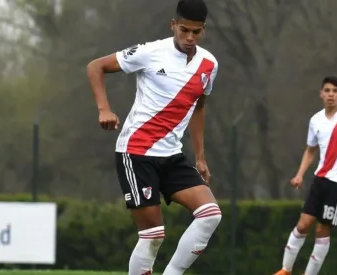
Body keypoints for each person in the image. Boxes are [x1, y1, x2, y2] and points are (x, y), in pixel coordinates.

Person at [86, 0, 221, 274]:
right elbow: (95, 67)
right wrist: (104, 109)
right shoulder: (150, 52)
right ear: (174, 25)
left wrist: (201, 157)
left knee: (210, 215)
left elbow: (199, 108)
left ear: (203, 31)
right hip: (136, 153)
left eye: (196, 32)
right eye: (184, 30)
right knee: (153, 235)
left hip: (171, 155)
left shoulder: (209, 64)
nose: (189, 37)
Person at [274, 76, 337, 275]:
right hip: (320, 179)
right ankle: (285, 270)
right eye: (327, 91)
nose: (331, 95)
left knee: (322, 229)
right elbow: (311, 150)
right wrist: (300, 174)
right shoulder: (316, 120)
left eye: (335, 91)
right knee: (303, 225)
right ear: (321, 94)